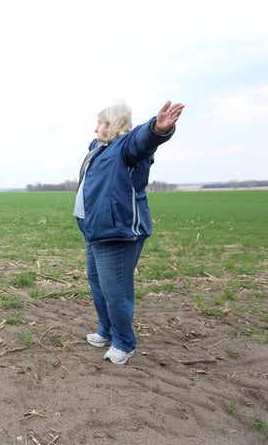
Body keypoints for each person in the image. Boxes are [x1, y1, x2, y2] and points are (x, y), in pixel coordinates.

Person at [74, 100, 184, 365]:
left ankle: (124, 342)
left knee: (116, 291)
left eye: (100, 123)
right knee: (98, 284)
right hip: (95, 231)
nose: (95, 128)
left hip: (118, 231)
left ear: (112, 125)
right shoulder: (99, 149)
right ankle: (107, 330)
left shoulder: (126, 148)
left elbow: (142, 140)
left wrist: (157, 129)